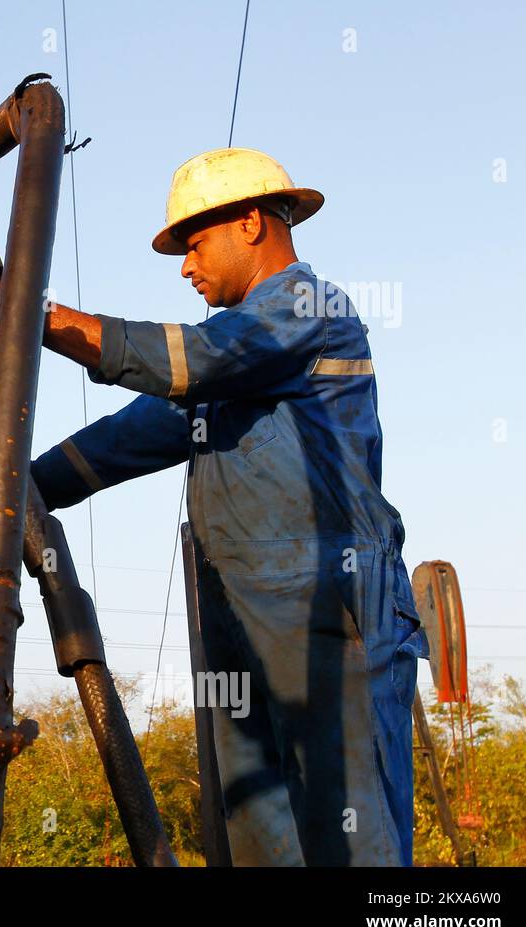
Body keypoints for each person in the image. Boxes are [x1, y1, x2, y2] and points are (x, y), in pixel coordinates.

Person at [29, 147, 429, 865]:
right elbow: (135, 435)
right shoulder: (238, 362)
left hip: (329, 610)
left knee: (352, 839)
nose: (186, 267)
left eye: (194, 244)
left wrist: (38, 317)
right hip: (242, 617)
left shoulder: (308, 310)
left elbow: (196, 359)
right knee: (259, 841)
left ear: (249, 224)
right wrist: (10, 493)